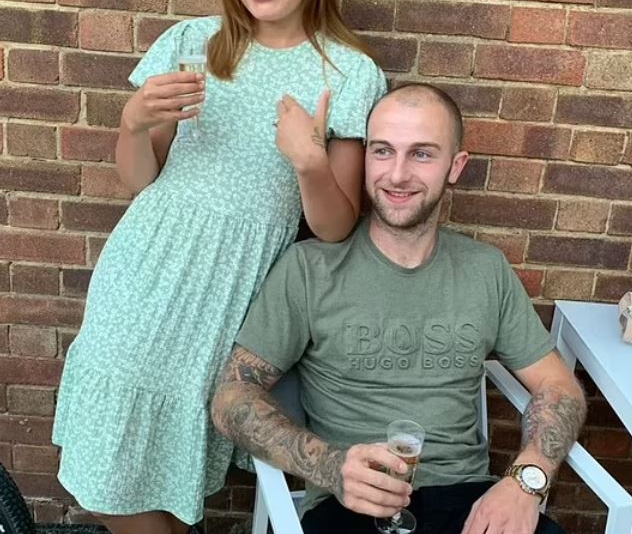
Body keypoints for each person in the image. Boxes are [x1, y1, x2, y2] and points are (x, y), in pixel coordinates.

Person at [51, 0, 387, 532]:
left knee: (164, 467)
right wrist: (133, 123)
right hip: (142, 271)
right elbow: (138, 179)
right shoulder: (192, 42)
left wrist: (309, 163)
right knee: (109, 472)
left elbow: (335, 226)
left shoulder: (349, 72)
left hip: (228, 291)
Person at [211, 83, 587, 534]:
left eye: (422, 154)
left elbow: (559, 386)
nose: (397, 174)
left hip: (469, 503)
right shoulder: (310, 269)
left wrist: (526, 482)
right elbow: (231, 396)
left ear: (455, 166)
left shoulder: (484, 270)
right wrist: (329, 465)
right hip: (352, 504)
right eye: (383, 151)